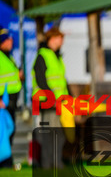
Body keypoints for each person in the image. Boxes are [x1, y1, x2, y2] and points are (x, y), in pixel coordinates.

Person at [31, 27, 70, 168]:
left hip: (58, 102)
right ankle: (49, 163)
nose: (62, 41)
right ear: (52, 39)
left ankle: (54, 162)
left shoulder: (56, 56)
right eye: (60, 38)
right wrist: (51, 97)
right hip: (48, 102)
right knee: (50, 133)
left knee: (58, 133)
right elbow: (41, 80)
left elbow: (62, 81)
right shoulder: (43, 55)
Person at [0, 26, 23, 167]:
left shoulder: (9, 56)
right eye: (7, 39)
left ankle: (6, 160)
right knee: (4, 132)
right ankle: (5, 162)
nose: (11, 41)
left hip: (10, 101)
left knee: (9, 129)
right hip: (2, 101)